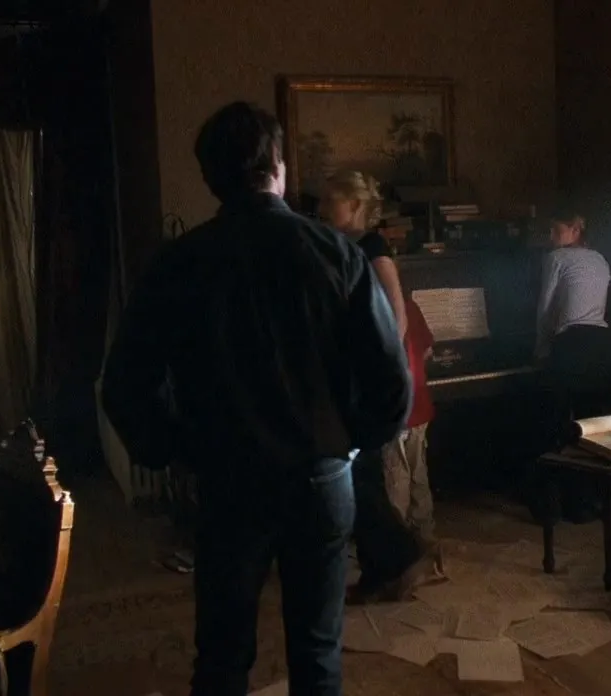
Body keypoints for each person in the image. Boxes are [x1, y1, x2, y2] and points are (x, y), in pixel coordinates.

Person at [101, 102, 411, 696]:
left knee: (221, 658)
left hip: (227, 481)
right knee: (317, 655)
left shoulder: (179, 263)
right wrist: (353, 444)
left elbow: (124, 384)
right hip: (320, 478)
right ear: (277, 166)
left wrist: (172, 450)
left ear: (210, 177)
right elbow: (391, 380)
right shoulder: (337, 253)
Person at [317, 171, 430, 603]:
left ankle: (398, 558)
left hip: (365, 379)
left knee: (360, 476)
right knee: (360, 476)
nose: (323, 208)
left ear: (355, 205)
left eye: (331, 200)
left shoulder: (373, 248)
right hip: (352, 374)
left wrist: (381, 372)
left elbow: (395, 317)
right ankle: (384, 567)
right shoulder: (346, 246)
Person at [530, 209, 611, 523]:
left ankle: (553, 505)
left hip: (571, 344)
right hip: (601, 345)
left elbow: (545, 309)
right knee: (591, 426)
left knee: (555, 423)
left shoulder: (556, 259)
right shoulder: (600, 259)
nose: (551, 238)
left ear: (576, 229)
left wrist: (540, 349)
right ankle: (588, 502)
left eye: (556, 231)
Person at [382, 295, 439, 549]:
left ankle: (400, 547)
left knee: (396, 479)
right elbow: (428, 351)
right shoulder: (411, 307)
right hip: (420, 406)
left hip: (394, 411)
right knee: (419, 474)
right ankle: (425, 538)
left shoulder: (374, 308)